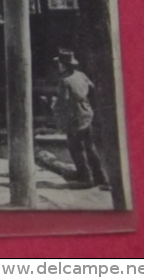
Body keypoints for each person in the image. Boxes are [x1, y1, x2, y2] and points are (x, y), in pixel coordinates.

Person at [53, 49, 108, 189]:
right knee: (90, 147)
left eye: (59, 64)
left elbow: (63, 101)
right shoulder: (81, 75)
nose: (58, 66)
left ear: (63, 65)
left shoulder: (64, 81)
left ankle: (85, 177)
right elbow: (92, 87)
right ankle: (101, 177)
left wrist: (54, 106)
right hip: (86, 114)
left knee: (76, 148)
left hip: (74, 118)